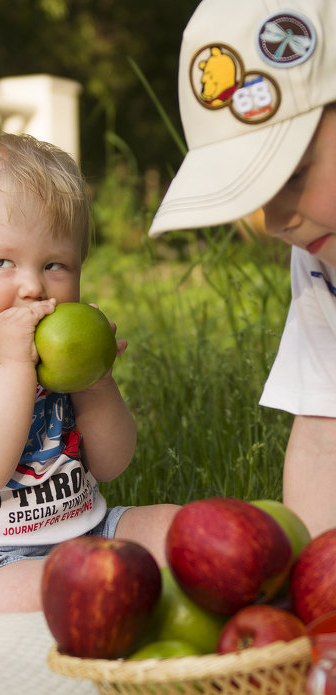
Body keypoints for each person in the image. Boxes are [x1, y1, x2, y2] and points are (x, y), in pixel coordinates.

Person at [0, 133, 178, 621]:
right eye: (3, 262)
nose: (33, 286)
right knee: (60, 594)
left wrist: (96, 378)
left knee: (179, 531)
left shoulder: (64, 355)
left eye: (55, 264)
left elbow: (110, 463)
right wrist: (15, 367)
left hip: (83, 534)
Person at [149, 0, 336, 537]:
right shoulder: (320, 260)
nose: (276, 221)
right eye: (260, 193)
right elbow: (325, 435)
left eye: (296, 176)